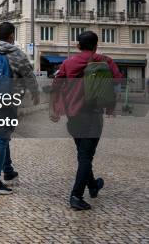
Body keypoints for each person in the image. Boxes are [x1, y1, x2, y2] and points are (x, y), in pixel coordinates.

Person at [51, 31, 122, 210]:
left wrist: (54, 109)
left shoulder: (68, 63)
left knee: (83, 154)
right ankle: (76, 195)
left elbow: (56, 85)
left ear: (78, 46)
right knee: (85, 156)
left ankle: (93, 186)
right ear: (96, 45)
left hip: (73, 115)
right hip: (93, 115)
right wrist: (111, 106)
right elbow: (117, 82)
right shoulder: (105, 60)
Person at [0, 22, 39, 195]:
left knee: (2, 134)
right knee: (1, 137)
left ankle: (8, 170)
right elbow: (29, 74)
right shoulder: (16, 53)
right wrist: (35, 94)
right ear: (12, 35)